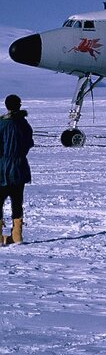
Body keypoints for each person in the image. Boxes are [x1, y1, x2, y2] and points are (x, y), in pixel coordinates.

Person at [1, 94, 33, 246]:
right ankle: (17, 235)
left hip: (2, 169)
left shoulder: (2, 124)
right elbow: (28, 144)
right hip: (20, 168)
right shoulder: (24, 125)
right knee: (17, 202)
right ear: (19, 106)